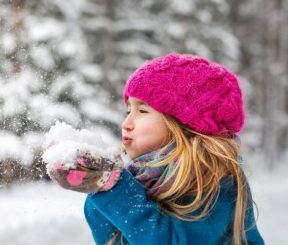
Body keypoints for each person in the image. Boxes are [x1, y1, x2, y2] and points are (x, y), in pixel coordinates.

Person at [46, 53, 264, 245]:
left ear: (182, 123)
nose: (126, 123)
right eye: (128, 110)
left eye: (142, 111)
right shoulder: (144, 176)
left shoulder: (212, 178)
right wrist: (98, 183)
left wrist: (114, 188)